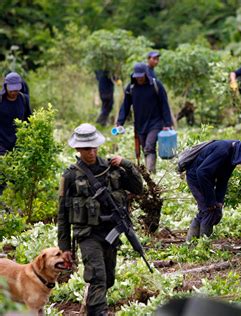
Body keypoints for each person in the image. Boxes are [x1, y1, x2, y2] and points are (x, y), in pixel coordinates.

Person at [57, 123, 144, 316]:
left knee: (109, 278)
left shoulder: (112, 168)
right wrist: (64, 247)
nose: (91, 152)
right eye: (87, 148)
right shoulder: (70, 175)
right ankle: (99, 311)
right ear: (78, 149)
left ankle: (91, 304)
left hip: (110, 232)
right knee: (97, 275)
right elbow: (62, 214)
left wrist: (126, 164)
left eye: (94, 147)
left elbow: (139, 188)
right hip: (87, 234)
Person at [185, 139, 241, 241]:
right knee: (208, 211)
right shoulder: (223, 151)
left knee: (208, 210)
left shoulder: (233, 154)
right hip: (195, 177)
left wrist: (219, 201)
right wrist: (211, 201)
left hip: (206, 178)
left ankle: (191, 245)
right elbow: (202, 172)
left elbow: (223, 179)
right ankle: (201, 247)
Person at [116, 62, 173, 173]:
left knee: (149, 147)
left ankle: (150, 173)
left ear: (146, 74)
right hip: (140, 124)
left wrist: (167, 124)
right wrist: (120, 122)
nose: (139, 79)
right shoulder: (131, 88)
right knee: (145, 150)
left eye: (141, 76)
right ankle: (152, 173)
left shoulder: (156, 85)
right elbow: (125, 106)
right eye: (137, 77)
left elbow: (164, 104)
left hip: (156, 123)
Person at [0, 72, 32, 194]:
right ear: (5, 87)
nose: (14, 93)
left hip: (18, 143)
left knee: (16, 175)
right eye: (11, 90)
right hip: (1, 143)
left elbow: (29, 119)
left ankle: (15, 203)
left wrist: (28, 140)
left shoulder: (24, 99)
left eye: (16, 90)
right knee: (2, 174)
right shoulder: (1, 101)